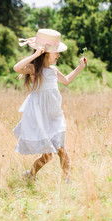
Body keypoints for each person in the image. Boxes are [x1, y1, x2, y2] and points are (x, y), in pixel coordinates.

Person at [13, 29, 87, 181]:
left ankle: (68, 180)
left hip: (54, 114)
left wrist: (80, 67)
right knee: (48, 156)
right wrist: (35, 55)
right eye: (56, 52)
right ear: (46, 53)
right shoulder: (35, 70)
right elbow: (17, 68)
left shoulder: (53, 70)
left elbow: (66, 80)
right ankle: (30, 174)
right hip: (41, 116)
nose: (58, 55)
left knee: (61, 148)